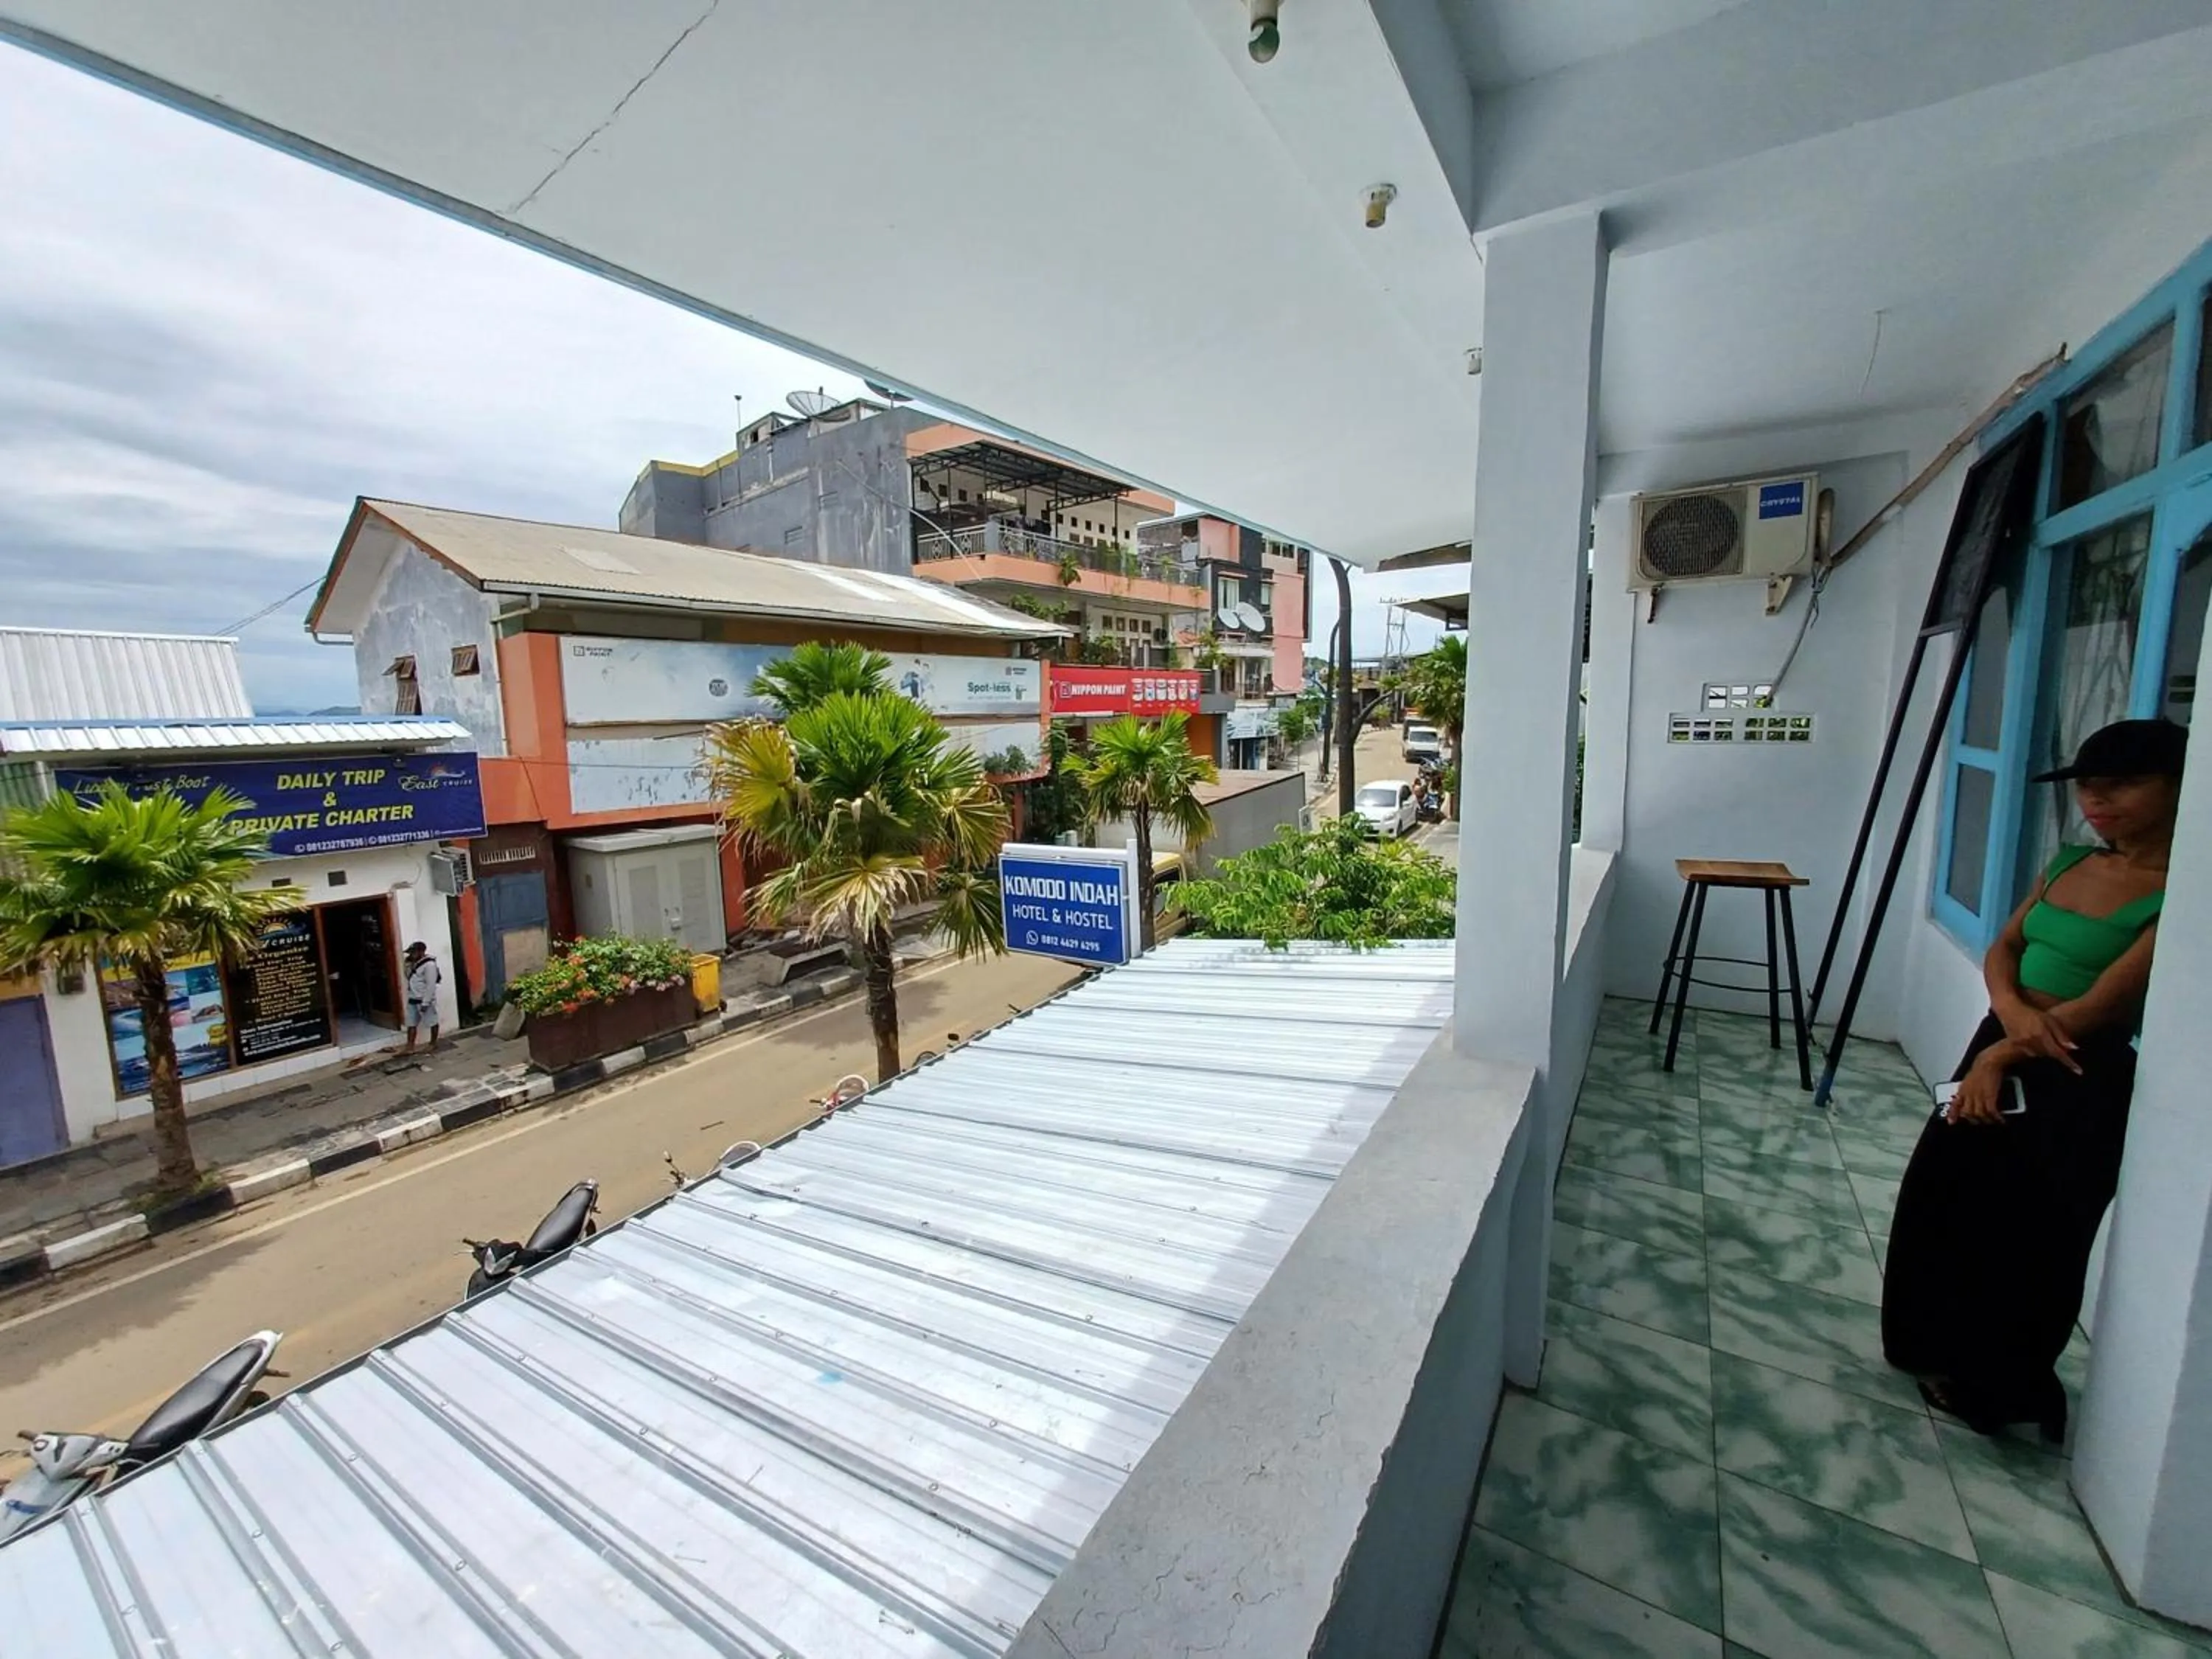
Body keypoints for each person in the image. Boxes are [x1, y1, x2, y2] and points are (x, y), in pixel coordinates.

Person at [1882, 717, 2186, 1441]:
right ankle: (1924, 1340)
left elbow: (2107, 1001)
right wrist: (2008, 1019)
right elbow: (2006, 946)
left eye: (2122, 786)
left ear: (2179, 789)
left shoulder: (2180, 893)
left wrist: (2004, 1055)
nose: (2097, 800)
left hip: (2078, 1072)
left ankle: (2008, 1390)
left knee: (2034, 1228)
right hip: (1993, 1047)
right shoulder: (2071, 863)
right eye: (2087, 785)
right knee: (1942, 1180)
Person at [402, 941, 442, 1053]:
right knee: (411, 1023)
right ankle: (410, 1046)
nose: (411, 955)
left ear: (421, 952)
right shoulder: (412, 964)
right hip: (413, 997)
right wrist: (408, 965)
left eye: (413, 952)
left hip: (424, 999)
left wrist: (426, 1002)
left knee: (432, 1021)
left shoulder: (429, 965)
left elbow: (431, 985)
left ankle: (433, 1043)